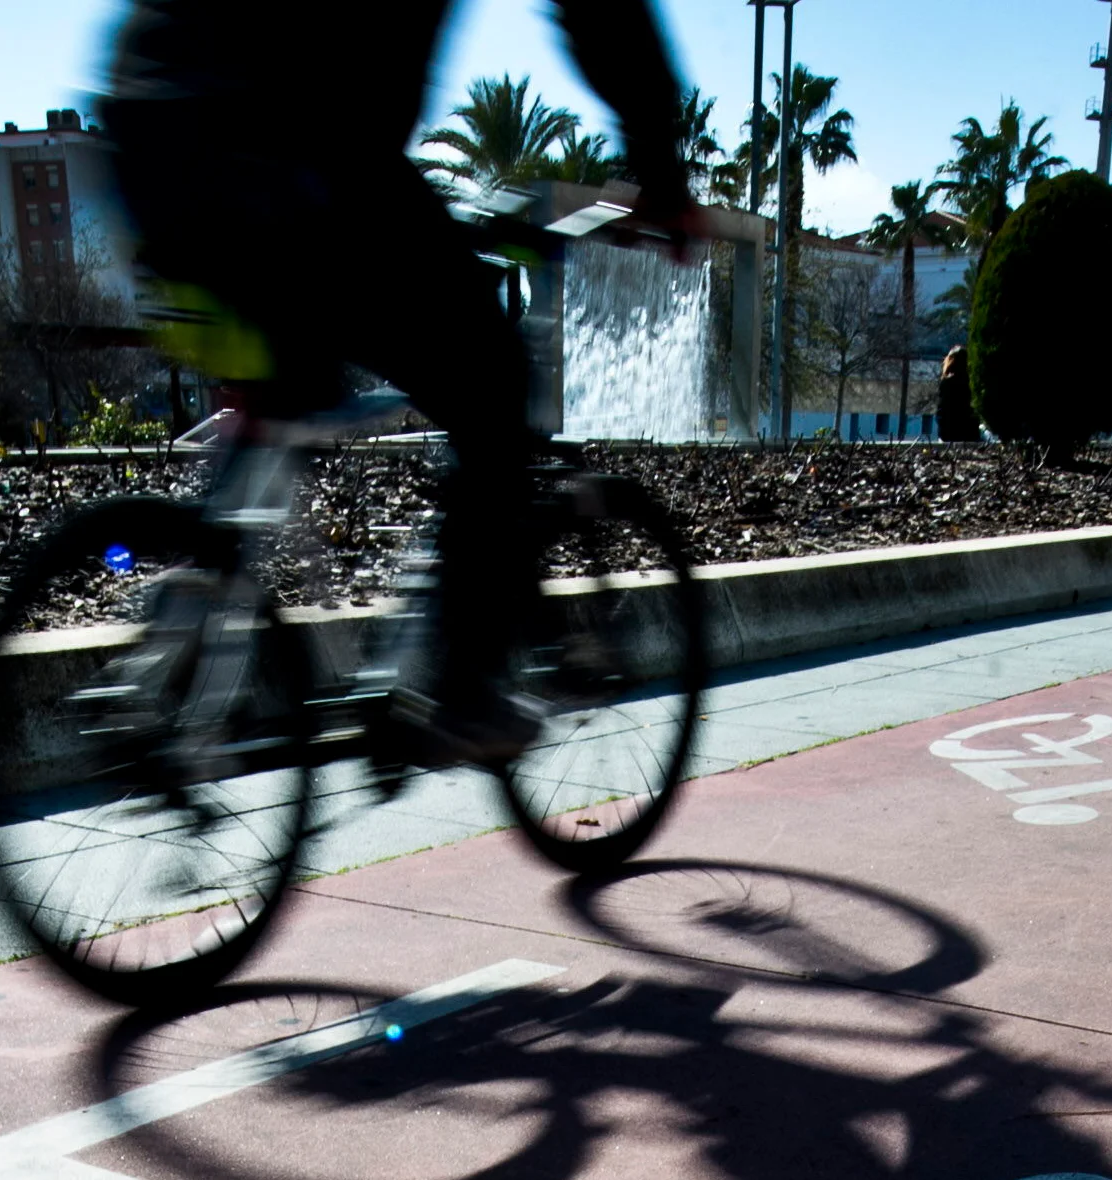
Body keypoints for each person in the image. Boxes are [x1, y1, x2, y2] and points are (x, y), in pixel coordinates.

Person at [99, 0, 701, 763]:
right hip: (293, 143)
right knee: (494, 385)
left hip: (143, 130)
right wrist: (662, 172)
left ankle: (181, 623)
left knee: (281, 395)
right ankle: (463, 690)